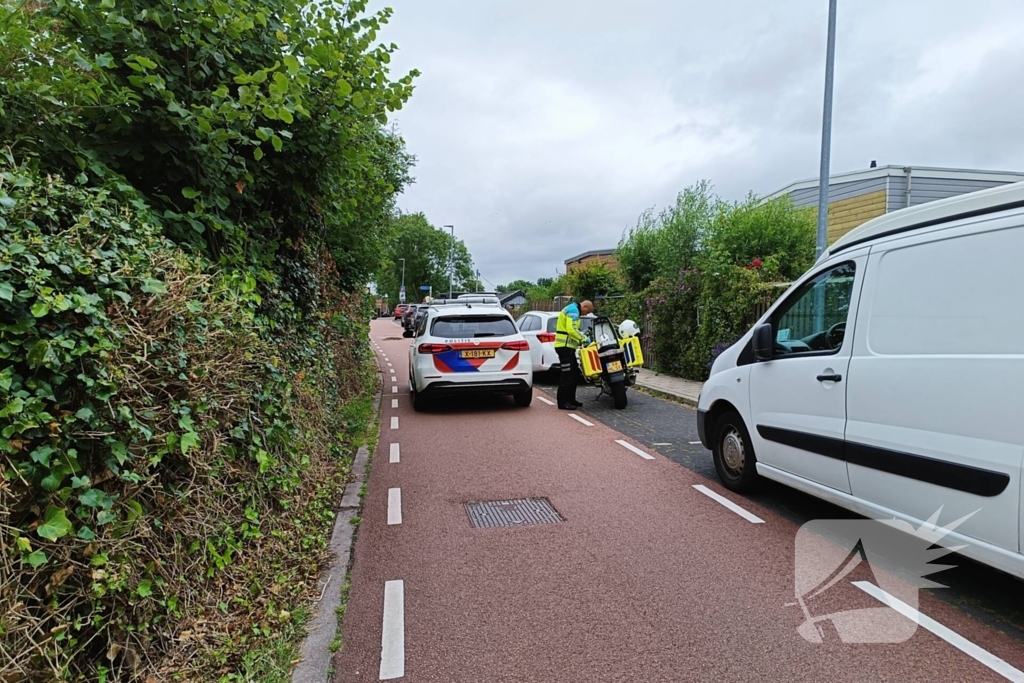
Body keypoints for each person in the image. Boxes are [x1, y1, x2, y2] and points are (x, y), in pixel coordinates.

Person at [553, 299, 594, 410]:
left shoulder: (572, 309)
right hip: (564, 347)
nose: (586, 314)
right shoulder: (573, 311)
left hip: (568, 348)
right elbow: (571, 330)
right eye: (587, 312)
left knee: (574, 374)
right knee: (567, 375)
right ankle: (563, 402)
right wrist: (584, 338)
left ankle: (571, 400)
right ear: (584, 307)